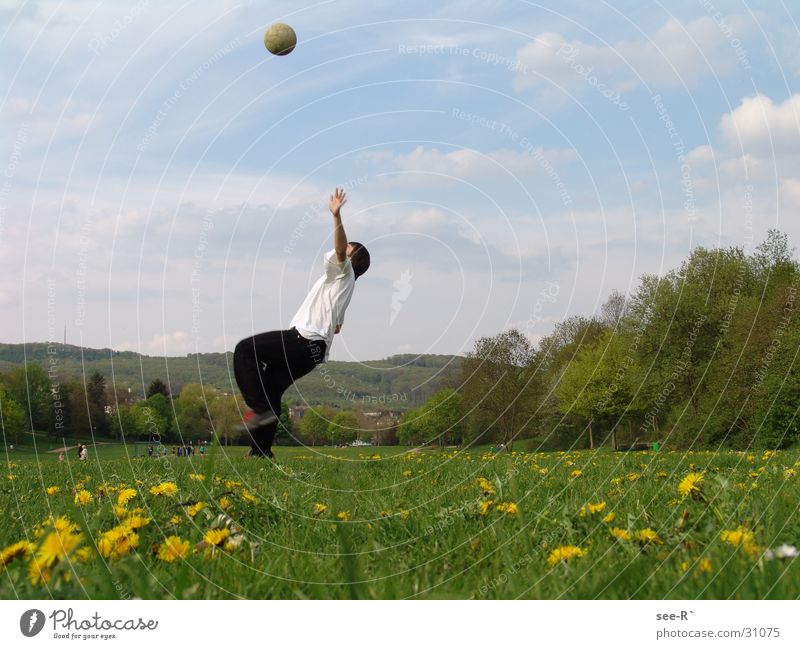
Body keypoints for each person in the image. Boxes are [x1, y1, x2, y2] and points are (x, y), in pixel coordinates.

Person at [234, 188, 370, 458]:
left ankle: (258, 408)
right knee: (272, 388)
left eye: (345, 250)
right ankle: (261, 452)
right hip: (314, 352)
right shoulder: (344, 287)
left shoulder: (344, 273)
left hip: (303, 339)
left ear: (351, 258)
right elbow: (338, 327)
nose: (338, 251)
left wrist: (337, 215)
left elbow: (341, 249)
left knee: (244, 350)